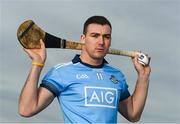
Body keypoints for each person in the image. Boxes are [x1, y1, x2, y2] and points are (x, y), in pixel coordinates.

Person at [19, 16, 151, 123]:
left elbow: (133, 114)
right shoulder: (61, 73)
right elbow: (26, 109)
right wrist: (37, 63)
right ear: (83, 39)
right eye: (95, 35)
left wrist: (143, 76)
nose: (101, 42)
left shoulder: (116, 75)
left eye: (106, 36)